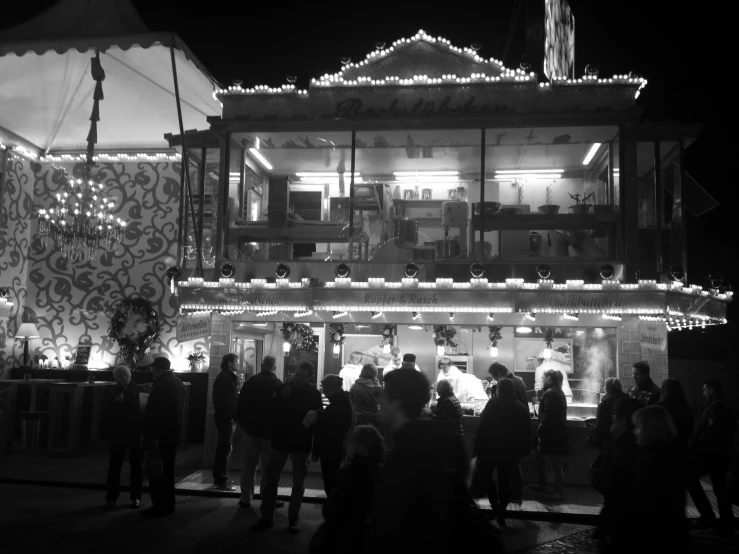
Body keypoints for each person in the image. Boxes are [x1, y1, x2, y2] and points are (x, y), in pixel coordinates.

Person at [363, 368, 502, 554]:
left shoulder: (405, 456)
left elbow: (396, 526)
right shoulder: (442, 438)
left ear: (397, 403)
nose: (379, 400)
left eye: (384, 394)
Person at [600, 406, 692, 554]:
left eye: (637, 427)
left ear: (648, 429)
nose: (635, 431)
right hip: (670, 534)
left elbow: (637, 501)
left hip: (646, 535)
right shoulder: (672, 455)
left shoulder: (647, 459)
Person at [252, 361, 323, 533]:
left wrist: (317, 414)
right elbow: (270, 410)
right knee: (271, 478)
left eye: (302, 376)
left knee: (298, 482)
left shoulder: (313, 393)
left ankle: (293, 518)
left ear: (310, 377)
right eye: (297, 374)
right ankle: (267, 516)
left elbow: (319, 414)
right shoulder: (285, 389)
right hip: (282, 439)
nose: (298, 378)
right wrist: (281, 397)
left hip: (299, 442)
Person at [309, 425, 384, 554]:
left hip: (343, 537)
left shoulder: (348, 473)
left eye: (351, 441)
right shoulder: (383, 472)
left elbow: (331, 510)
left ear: (359, 446)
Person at [473, 378, 531, 527]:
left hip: (490, 449)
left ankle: (495, 506)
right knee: (505, 481)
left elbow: (483, 426)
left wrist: (477, 448)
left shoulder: (492, 404)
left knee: (486, 478)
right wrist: (524, 452)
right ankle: (502, 513)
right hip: (510, 452)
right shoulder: (521, 408)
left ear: (499, 389)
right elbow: (527, 433)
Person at [685, 379, 738, 533]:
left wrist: (695, 448)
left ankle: (713, 518)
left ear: (711, 389)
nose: (703, 393)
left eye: (705, 389)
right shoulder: (725, 406)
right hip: (721, 454)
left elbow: (709, 434)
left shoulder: (717, 408)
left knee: (693, 479)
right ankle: (724, 522)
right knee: (720, 488)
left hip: (713, 455)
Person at [237, 355, 283, 509]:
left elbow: (240, 405)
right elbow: (281, 409)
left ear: (262, 365)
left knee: (248, 466)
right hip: (270, 433)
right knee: (268, 468)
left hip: (250, 430)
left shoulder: (250, 383)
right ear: (274, 368)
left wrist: (243, 425)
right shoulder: (277, 384)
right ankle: (267, 497)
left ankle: (245, 499)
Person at [142, 357, 185, 517]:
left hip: (160, 434)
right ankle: (169, 503)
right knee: (168, 471)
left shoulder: (161, 384)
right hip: (173, 433)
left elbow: (154, 412)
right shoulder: (178, 382)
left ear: (157, 368)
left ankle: (159, 505)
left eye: (153, 368)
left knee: (156, 472)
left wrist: (150, 436)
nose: (152, 371)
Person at [103, 365, 142, 510]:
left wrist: (115, 404)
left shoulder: (132, 390)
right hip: (128, 432)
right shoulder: (129, 390)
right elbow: (106, 411)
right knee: (123, 466)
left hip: (125, 432)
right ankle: (130, 497)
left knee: (123, 466)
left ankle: (117, 497)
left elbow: (106, 412)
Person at [311, 374, 355, 498]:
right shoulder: (344, 401)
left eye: (323, 387)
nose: (322, 390)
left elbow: (326, 429)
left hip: (330, 448)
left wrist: (318, 418)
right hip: (338, 446)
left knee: (330, 480)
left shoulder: (336, 405)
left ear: (329, 388)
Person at [531, 369, 567, 501]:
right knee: (541, 457)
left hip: (552, 434)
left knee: (555, 462)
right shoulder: (557, 391)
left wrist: (540, 429)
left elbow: (548, 414)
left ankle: (558, 491)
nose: (542, 380)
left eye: (543, 378)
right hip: (556, 432)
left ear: (549, 379)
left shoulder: (551, 393)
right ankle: (542, 484)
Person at [212, 353, 239, 491]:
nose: (238, 364)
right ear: (229, 363)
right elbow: (225, 401)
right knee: (225, 449)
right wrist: (231, 416)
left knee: (223, 448)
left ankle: (219, 477)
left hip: (225, 418)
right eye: (236, 361)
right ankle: (222, 479)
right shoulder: (225, 378)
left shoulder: (225, 377)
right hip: (226, 419)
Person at [590, 378, 628, 449]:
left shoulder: (604, 403)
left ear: (607, 388)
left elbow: (600, 424)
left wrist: (594, 438)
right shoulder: (627, 400)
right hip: (626, 438)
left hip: (609, 439)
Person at [658, 378, 694, 447]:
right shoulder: (686, 407)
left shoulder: (659, 408)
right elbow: (689, 431)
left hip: (663, 447)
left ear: (663, 390)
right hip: (681, 446)